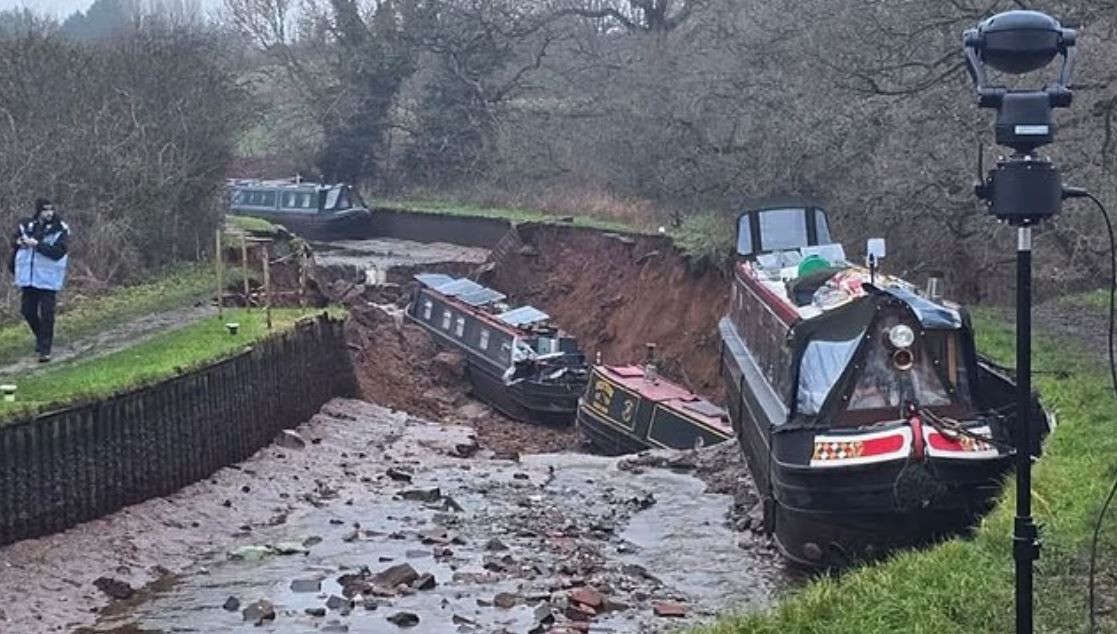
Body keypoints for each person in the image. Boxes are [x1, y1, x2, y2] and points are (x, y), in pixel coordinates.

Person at [10, 198, 70, 362]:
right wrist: (20, 242)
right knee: (27, 311)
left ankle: (45, 349)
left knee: (47, 313)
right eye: (45, 210)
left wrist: (37, 245)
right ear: (38, 211)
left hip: (48, 278)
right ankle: (41, 338)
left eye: (51, 209)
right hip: (29, 278)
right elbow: (13, 241)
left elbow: (58, 252)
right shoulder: (27, 226)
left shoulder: (60, 229)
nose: (49, 213)